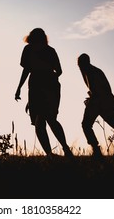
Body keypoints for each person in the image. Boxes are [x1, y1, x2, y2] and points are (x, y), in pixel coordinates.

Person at [15, 28, 73, 158]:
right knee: (51, 119)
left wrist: (19, 88)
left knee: (39, 122)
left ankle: (50, 153)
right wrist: (50, 78)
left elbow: (26, 70)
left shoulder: (29, 49)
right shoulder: (50, 50)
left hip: (38, 84)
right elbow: (59, 71)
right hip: (49, 84)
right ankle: (64, 149)